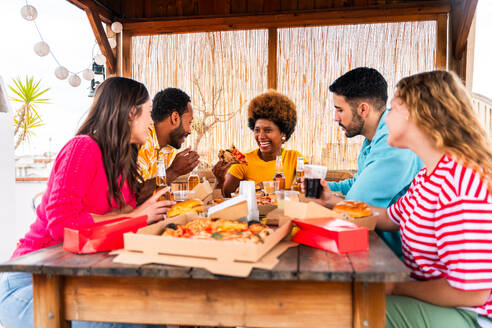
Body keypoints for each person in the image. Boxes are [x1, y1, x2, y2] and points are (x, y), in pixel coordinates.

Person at [0, 77, 173, 328]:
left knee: (151, 312)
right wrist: (136, 216)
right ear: (129, 114)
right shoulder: (83, 148)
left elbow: (118, 224)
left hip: (74, 275)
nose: (151, 122)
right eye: (148, 113)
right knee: (127, 323)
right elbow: (63, 225)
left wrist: (140, 216)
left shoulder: (120, 164)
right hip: (32, 280)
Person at [366, 70, 492, 328]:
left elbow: (472, 292)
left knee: (351, 311)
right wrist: (332, 206)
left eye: (392, 109)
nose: (385, 120)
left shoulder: (460, 184)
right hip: (443, 303)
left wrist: (396, 287)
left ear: (416, 112)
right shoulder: (429, 176)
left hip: (470, 314)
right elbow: (389, 218)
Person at [316, 67, 423, 258]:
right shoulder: (371, 140)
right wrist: (324, 188)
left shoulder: (392, 141)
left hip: (396, 256)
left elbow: (358, 203)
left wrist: (329, 201)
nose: (335, 118)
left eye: (339, 110)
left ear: (363, 109)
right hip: (377, 243)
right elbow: (357, 183)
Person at [213, 90, 304, 197]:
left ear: (283, 133)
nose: (260, 136)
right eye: (257, 130)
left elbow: (310, 191)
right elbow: (222, 199)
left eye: (268, 130)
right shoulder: (243, 162)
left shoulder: (295, 158)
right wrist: (219, 180)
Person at [137, 87, 199, 203]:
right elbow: (133, 197)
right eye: (189, 122)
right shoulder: (141, 140)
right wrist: (173, 172)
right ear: (175, 118)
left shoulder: (168, 149)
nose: (190, 130)